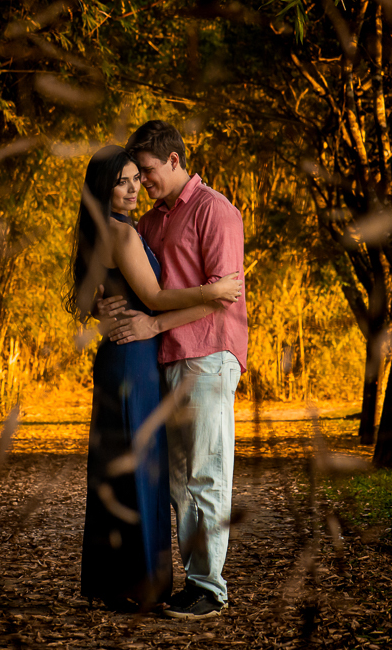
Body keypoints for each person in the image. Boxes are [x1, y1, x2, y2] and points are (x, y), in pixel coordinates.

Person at [66, 145, 241, 613]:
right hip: (135, 357)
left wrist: (102, 312)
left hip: (128, 354)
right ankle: (142, 587)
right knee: (140, 469)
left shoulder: (108, 229)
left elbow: (95, 297)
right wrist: (214, 291)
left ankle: (119, 582)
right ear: (103, 186)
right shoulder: (123, 233)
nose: (133, 187)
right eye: (123, 180)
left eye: (136, 178)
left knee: (125, 468)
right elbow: (155, 296)